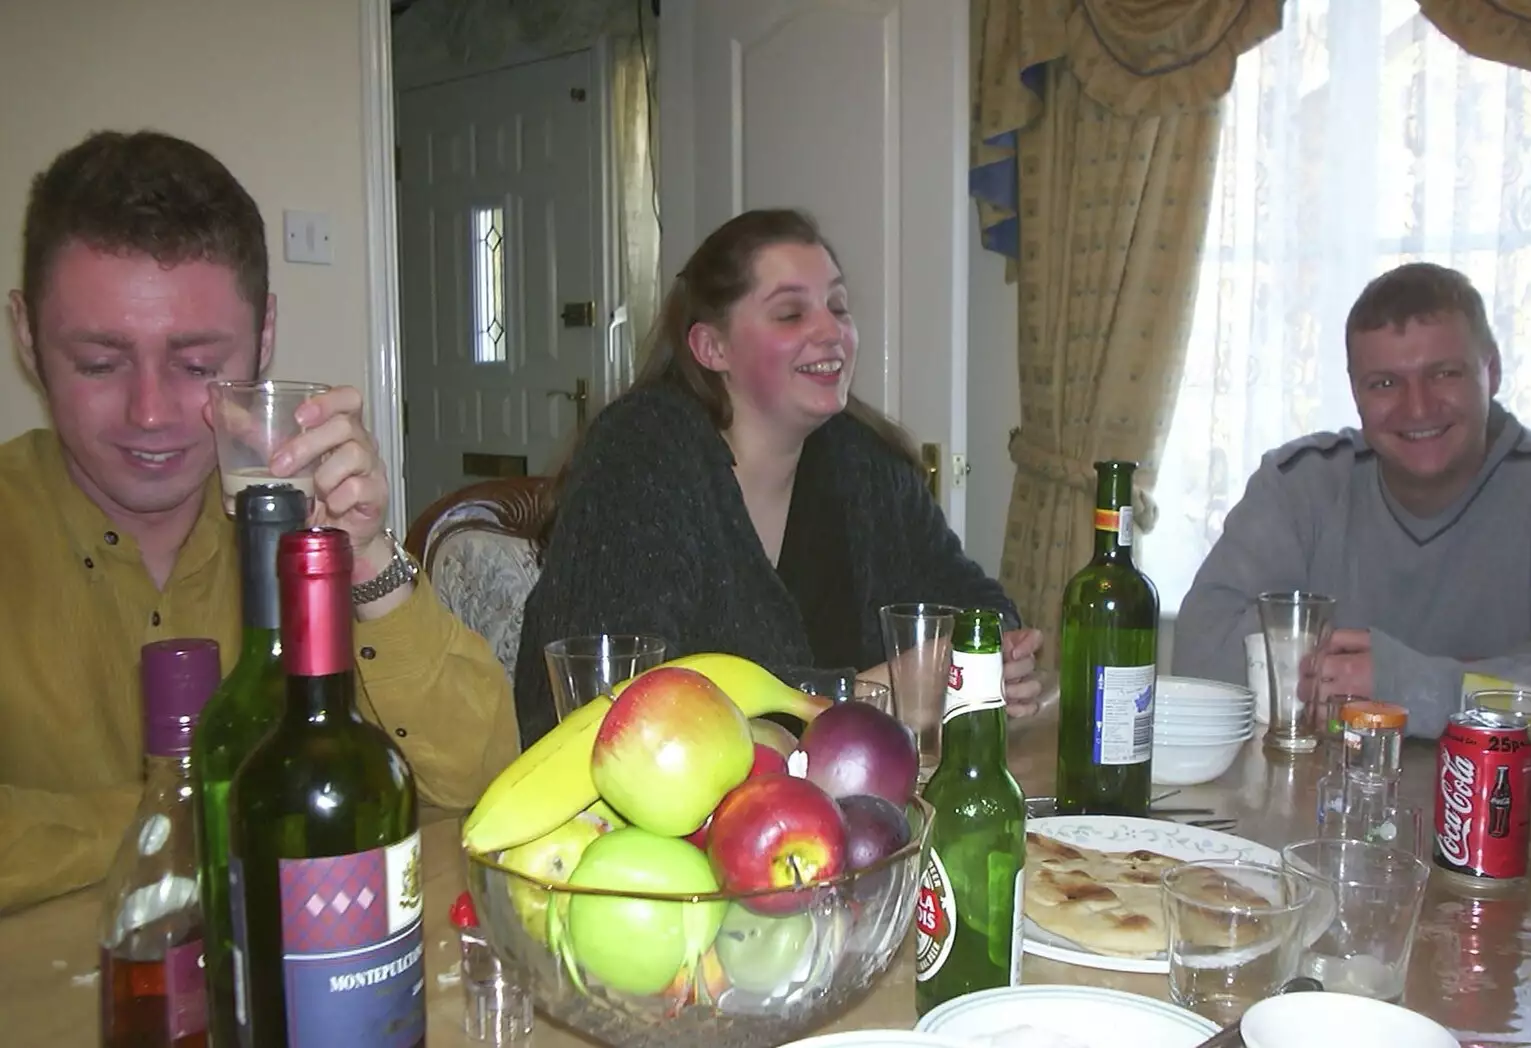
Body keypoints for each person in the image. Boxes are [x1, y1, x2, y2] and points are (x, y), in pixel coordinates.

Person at [0, 130, 518, 913]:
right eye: (100, 363)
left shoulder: (299, 521)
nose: (149, 412)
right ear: (27, 341)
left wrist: (370, 557)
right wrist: (217, 804)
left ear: (265, 338)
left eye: (199, 366)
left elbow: (481, 782)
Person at [515, 209, 1045, 745]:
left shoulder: (866, 466)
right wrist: (881, 691)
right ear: (711, 348)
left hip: (847, 806)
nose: (831, 330)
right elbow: (622, 711)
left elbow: (982, 609)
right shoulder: (641, 454)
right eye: (791, 314)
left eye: (838, 306)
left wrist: (995, 659)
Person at [1172, 262, 1531, 737]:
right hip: (1319, 795)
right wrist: (1486, 675)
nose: (1417, 407)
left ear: (1491, 373)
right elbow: (1200, 659)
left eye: (1443, 374)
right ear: (1355, 391)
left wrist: (1412, 683)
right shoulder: (1299, 483)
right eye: (1385, 383)